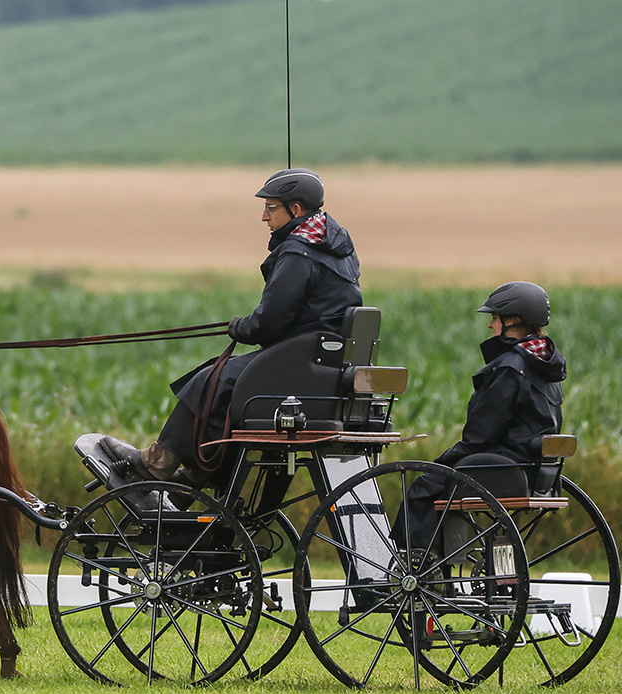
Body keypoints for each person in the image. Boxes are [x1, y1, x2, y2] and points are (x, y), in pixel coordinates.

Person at [104, 167, 362, 483]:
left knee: (211, 380)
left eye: (270, 208)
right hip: (322, 363)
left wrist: (242, 327)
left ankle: (156, 464)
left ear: (295, 210)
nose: (264, 218)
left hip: (300, 362)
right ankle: (195, 478)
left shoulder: (300, 252)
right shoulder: (334, 245)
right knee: (224, 380)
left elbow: (269, 322)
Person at [392, 281, 567, 548]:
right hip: (537, 469)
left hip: (503, 463)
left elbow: (480, 435)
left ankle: (416, 566)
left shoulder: (511, 368)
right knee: (439, 478)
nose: (490, 325)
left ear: (514, 320)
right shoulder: (544, 364)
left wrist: (441, 462)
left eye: (495, 318)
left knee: (423, 488)